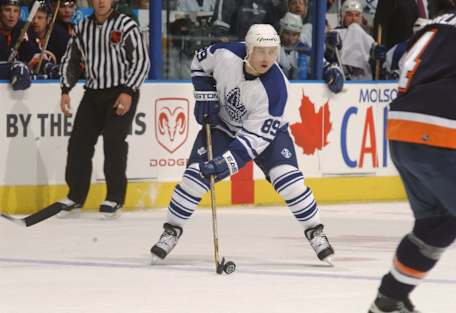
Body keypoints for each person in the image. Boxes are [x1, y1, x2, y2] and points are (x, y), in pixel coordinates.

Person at [150, 24, 335, 265]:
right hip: (223, 126)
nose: (267, 58)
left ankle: (315, 231)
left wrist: (225, 164)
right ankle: (171, 231)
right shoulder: (224, 54)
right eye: (261, 51)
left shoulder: (276, 89)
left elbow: (254, 140)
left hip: (267, 135)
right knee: (194, 178)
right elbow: (198, 63)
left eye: (272, 52)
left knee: (288, 179)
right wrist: (205, 93)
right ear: (248, 48)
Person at [368, 1, 456, 312]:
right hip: (448, 133)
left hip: (403, 133)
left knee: (437, 227)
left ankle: (388, 303)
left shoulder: (436, 24)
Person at [54, 0, 150, 218]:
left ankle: (114, 198)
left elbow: (141, 61)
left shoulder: (126, 25)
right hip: (93, 93)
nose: (100, 1)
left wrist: (128, 90)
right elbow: (71, 59)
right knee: (78, 143)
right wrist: (65, 89)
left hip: (122, 91)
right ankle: (75, 196)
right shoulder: (82, 28)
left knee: (113, 140)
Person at [277, 11, 344, 92]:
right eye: (287, 33)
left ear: (299, 35)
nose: (290, 39)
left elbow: (324, 65)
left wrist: (332, 71)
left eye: (295, 34)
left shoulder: (303, 49)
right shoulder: (272, 47)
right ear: (281, 31)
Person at [30, 0, 69, 76]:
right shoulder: (23, 33)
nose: (35, 21)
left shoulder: (61, 36)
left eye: (40, 18)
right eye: (32, 17)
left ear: (48, 19)